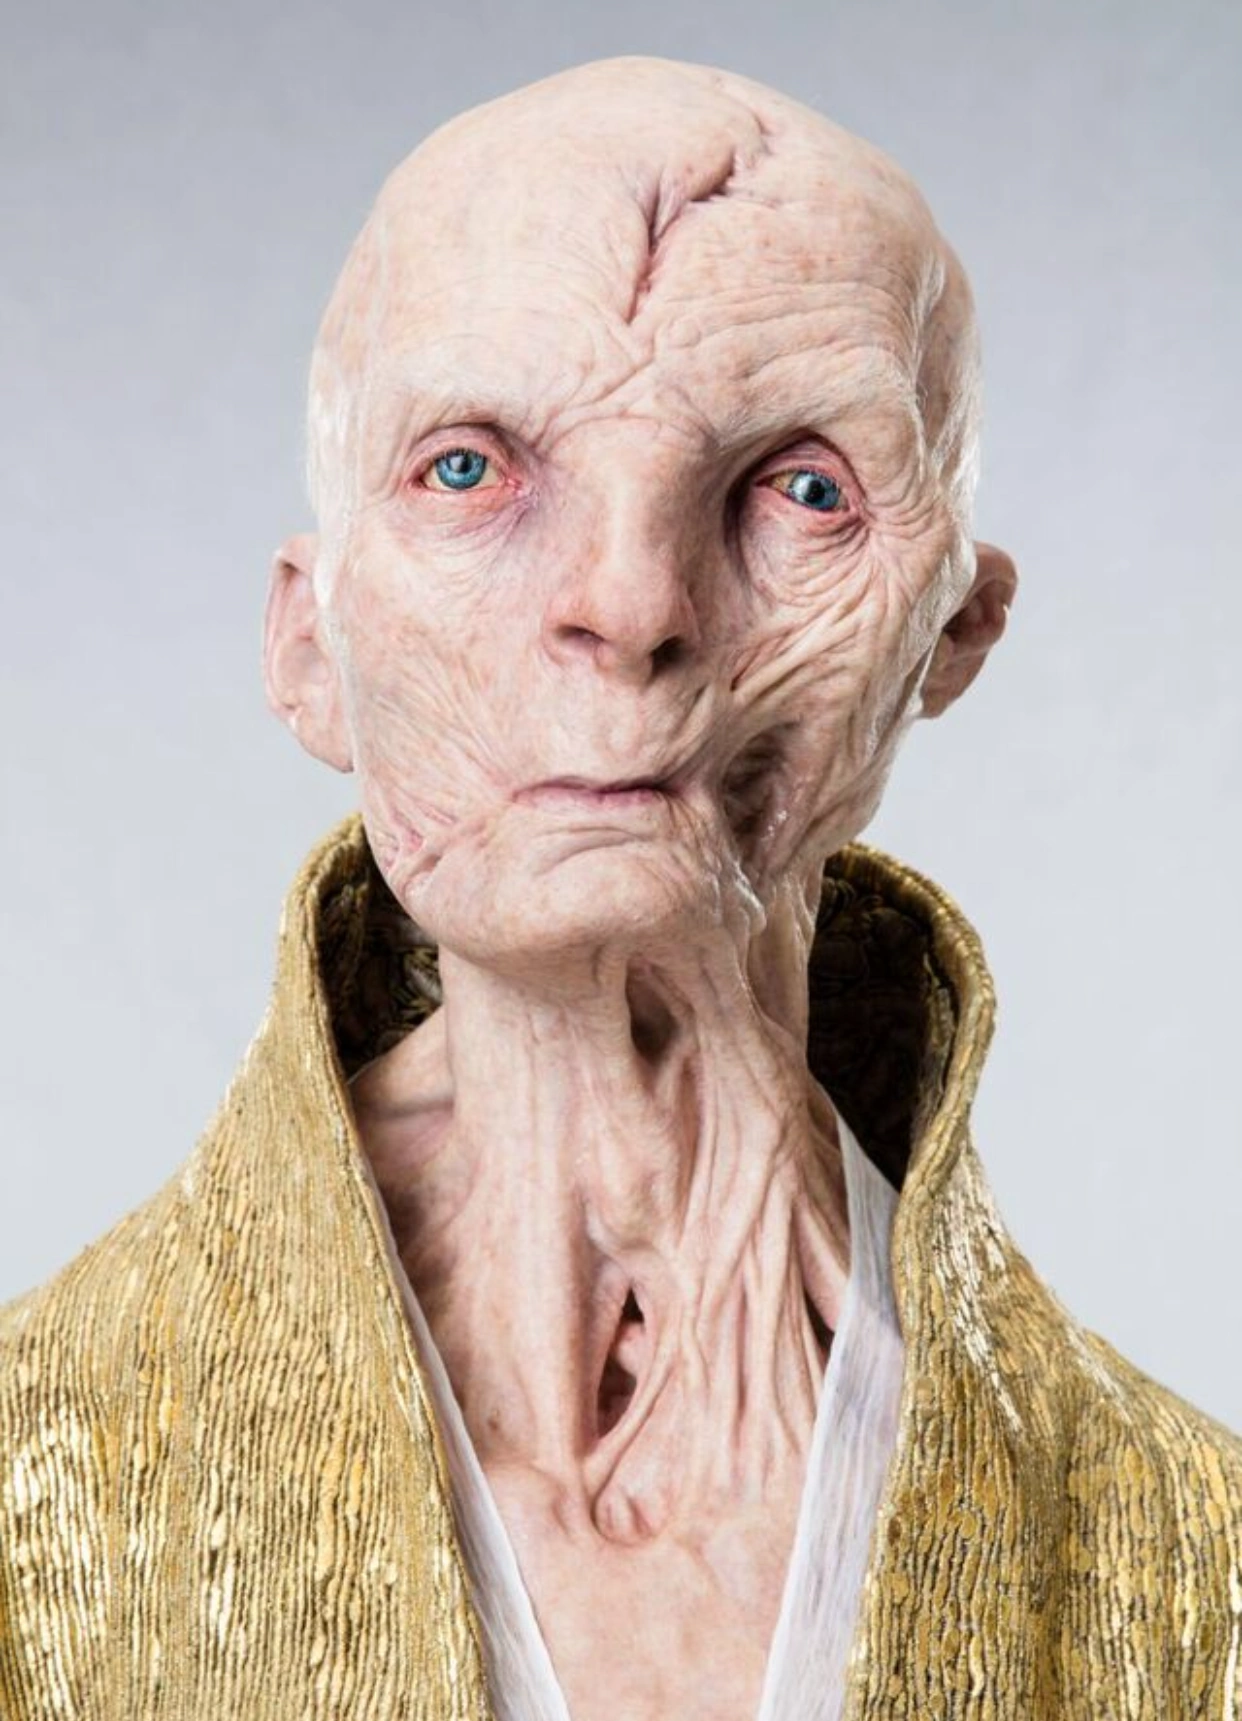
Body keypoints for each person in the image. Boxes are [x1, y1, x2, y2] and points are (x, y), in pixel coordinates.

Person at [1, 55, 1238, 1721]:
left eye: (804, 488)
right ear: (309, 645)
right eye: (468, 468)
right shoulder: (37, 1495)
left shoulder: (1191, 1574)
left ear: (950, 633)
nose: (631, 600)